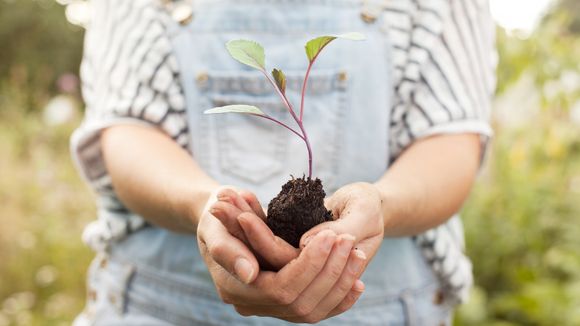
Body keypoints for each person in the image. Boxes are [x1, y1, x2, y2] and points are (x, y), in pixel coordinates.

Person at [71, 0, 496, 324]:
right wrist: (205, 206)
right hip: (161, 307)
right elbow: (129, 131)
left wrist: (379, 204)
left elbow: (449, 141)